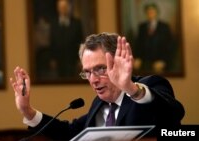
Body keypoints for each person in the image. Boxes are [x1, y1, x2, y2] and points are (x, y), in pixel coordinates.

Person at [10, 32, 185, 140]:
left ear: (118, 62)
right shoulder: (98, 105)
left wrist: (131, 88)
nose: (93, 80)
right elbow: (69, 132)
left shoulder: (150, 86)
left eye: (100, 69)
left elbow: (173, 114)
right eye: (87, 72)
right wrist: (28, 111)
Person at [134, 3, 177, 74]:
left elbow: (170, 47)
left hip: (160, 63)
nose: (150, 14)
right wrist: (137, 58)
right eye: (148, 12)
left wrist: (163, 61)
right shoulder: (142, 27)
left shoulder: (164, 27)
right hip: (145, 63)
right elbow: (138, 44)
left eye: (152, 12)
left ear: (156, 13)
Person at [48, 0, 84, 78]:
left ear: (68, 8)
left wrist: (80, 59)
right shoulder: (53, 24)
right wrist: (52, 58)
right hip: (58, 60)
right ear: (58, 8)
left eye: (65, 7)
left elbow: (81, 42)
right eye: (61, 7)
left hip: (73, 59)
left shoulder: (76, 23)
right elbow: (51, 42)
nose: (63, 9)